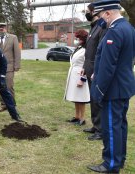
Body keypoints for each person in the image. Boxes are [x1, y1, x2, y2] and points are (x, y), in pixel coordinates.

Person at [87, 1, 135, 173]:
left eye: (100, 16)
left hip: (112, 90)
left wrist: (99, 90)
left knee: (111, 128)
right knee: (120, 125)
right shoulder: (129, 28)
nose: (100, 20)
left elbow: (108, 66)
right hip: (124, 86)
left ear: (108, 13)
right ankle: (119, 159)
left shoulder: (114, 32)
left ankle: (111, 164)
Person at [81, 3, 107, 141]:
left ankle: (101, 130)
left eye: (87, 11)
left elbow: (101, 51)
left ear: (94, 12)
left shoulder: (101, 28)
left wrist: (96, 70)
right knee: (93, 99)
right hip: (89, 67)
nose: (86, 14)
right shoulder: (94, 27)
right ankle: (96, 125)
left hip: (95, 69)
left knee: (98, 100)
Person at [0, 22, 21, 112]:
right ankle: (3, 105)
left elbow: (17, 52)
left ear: (5, 28)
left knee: (9, 86)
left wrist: (17, 65)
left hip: (9, 67)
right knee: (0, 87)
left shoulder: (13, 37)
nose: (0, 29)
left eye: (2, 27)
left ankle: (12, 105)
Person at [64, 29, 90, 126]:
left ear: (82, 38)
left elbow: (87, 65)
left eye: (78, 38)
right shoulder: (78, 48)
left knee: (81, 98)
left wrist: (83, 79)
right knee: (75, 97)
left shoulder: (87, 49)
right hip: (73, 75)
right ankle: (77, 116)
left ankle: (82, 119)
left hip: (80, 75)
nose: (76, 39)